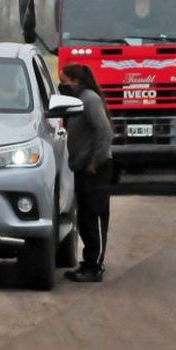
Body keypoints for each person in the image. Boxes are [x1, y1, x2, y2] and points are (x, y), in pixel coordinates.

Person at [59, 63, 113, 283]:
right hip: (82, 167)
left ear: (76, 81)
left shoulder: (89, 100)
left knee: (95, 216)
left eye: (65, 81)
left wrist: (95, 161)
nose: (62, 85)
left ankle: (95, 266)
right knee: (85, 217)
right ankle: (88, 262)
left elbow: (104, 130)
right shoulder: (77, 101)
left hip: (95, 169)